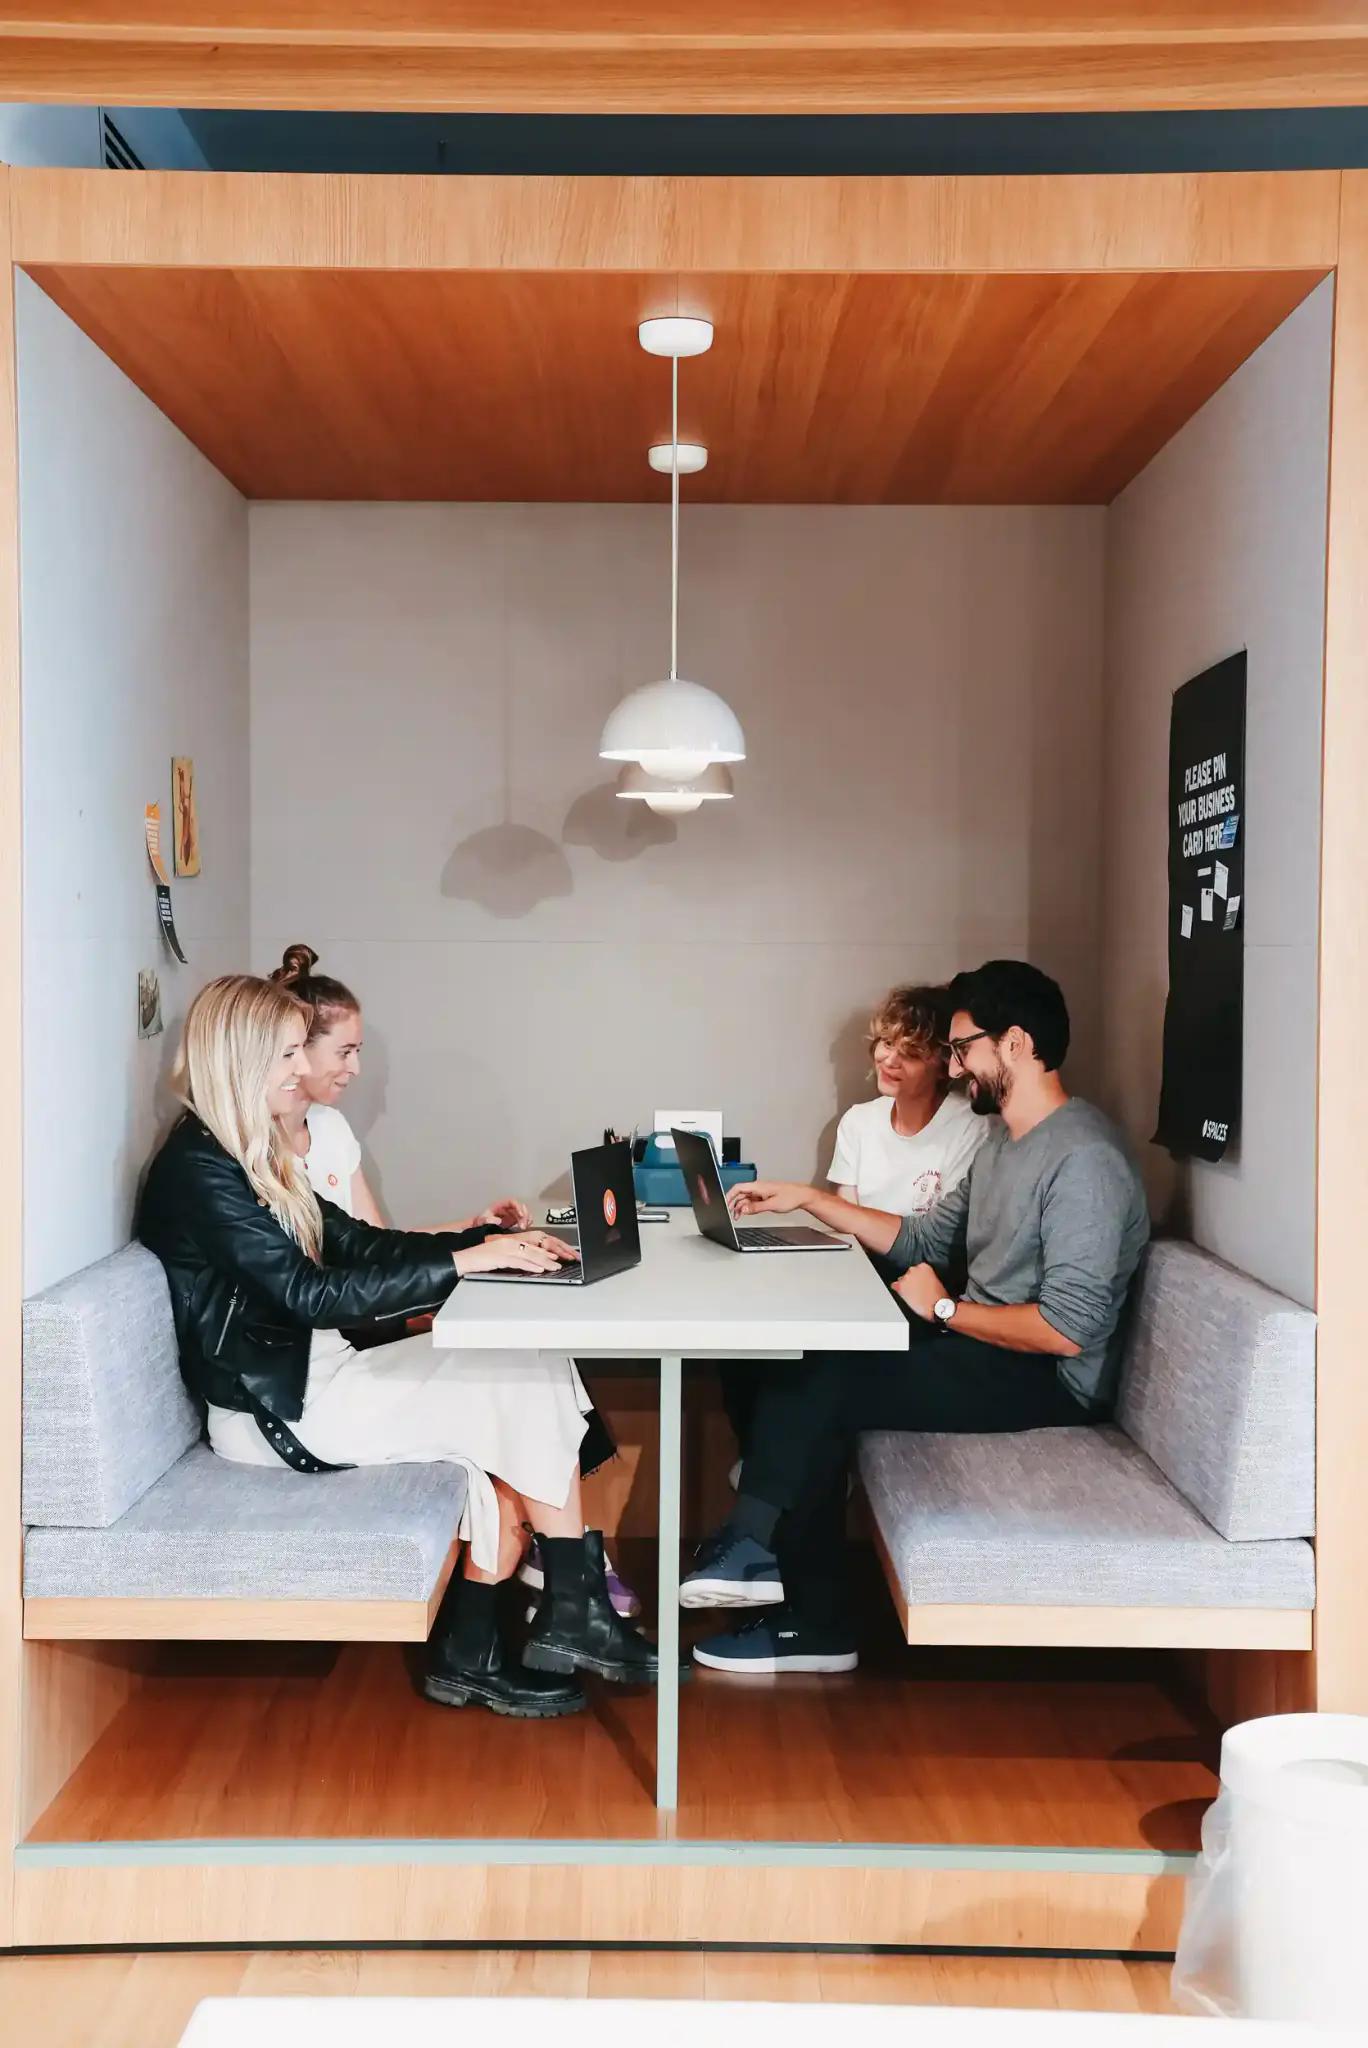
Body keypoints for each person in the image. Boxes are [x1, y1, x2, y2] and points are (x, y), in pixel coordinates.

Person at [138, 973, 671, 1721]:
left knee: (532, 1361)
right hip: (280, 1415)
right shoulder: (200, 1172)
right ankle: (561, 1616)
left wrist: (490, 1242)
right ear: (240, 1059)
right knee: (515, 1389)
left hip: (323, 1377)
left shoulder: (244, 1153)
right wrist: (463, 1264)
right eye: (287, 1054)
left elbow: (355, 1241)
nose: (303, 1070)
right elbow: (309, 1294)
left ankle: (505, 1640)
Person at [680, 960, 1150, 1676]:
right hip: (984, 1343)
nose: (958, 1068)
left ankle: (795, 1597)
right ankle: (769, 1557)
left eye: (965, 1049)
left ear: (1016, 1044)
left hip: (1046, 1376)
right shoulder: (1004, 1142)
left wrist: (944, 1308)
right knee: (778, 1358)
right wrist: (810, 1201)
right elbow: (926, 1239)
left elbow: (1067, 1329)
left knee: (822, 1380)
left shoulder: (1083, 1159)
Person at [266, 943, 640, 1621]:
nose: (355, 1067)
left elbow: (375, 1239)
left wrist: (470, 1231)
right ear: (291, 1049)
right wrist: (470, 1253)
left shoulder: (330, 1130)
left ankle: (567, 1564)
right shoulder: (256, 1156)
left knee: (534, 1356)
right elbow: (339, 1279)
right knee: (522, 1365)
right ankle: (573, 1564)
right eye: (340, 1052)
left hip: (366, 1307)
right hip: (348, 1331)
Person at [721, 983, 987, 1477]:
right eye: (886, 1043)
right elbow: (845, 1226)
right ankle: (764, 1459)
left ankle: (783, 1472)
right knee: (741, 1341)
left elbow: (937, 1241)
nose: (889, 1059)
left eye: (909, 1051)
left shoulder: (969, 1128)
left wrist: (816, 1204)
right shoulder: (859, 1123)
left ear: (942, 1062)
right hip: (856, 1273)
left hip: (921, 1284)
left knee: (808, 1361)